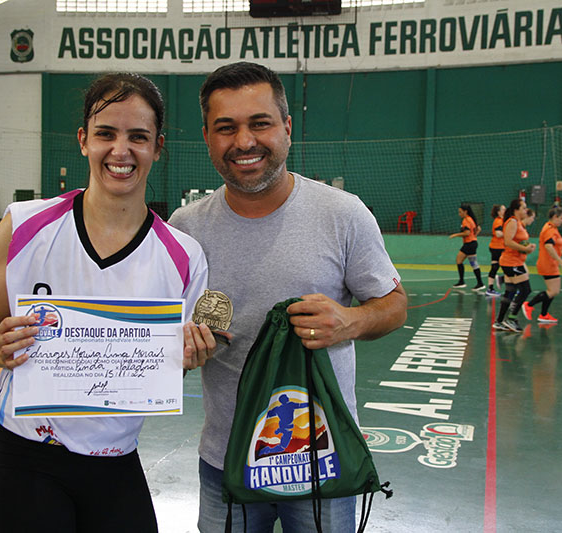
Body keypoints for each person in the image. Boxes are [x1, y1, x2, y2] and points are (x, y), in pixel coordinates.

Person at [0, 73, 215, 532]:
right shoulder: (23, 225)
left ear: (157, 147)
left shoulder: (185, 256)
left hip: (115, 460)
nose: (121, 150)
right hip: (21, 456)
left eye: (137, 137)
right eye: (106, 134)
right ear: (83, 140)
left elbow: (162, 367)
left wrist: (185, 358)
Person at [167, 61, 407, 533]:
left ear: (287, 127)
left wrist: (351, 320)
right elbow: (163, 335)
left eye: (260, 123)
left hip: (321, 458)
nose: (244, 142)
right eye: (226, 128)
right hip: (225, 457)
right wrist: (182, 350)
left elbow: (395, 305)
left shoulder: (342, 214)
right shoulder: (185, 228)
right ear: (207, 137)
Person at [492, 198, 536, 333]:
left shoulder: (518, 223)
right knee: (525, 290)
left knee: (510, 291)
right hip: (512, 262)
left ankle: (499, 321)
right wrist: (525, 249)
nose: (526, 210)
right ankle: (511, 318)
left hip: (514, 261)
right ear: (516, 210)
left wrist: (527, 246)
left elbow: (518, 241)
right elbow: (508, 242)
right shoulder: (512, 222)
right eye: (524, 208)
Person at [522, 207, 562, 324]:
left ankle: (544, 315)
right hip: (548, 264)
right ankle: (529, 305)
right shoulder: (549, 229)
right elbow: (548, 246)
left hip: (550, 263)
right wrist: (560, 260)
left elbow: (552, 245)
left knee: (552, 290)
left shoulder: (552, 228)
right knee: (554, 291)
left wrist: (561, 252)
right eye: (561, 218)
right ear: (555, 217)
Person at [449, 202, 485, 291]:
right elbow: (478, 229)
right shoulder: (471, 219)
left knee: (462, 261)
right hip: (472, 243)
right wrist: (474, 237)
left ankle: (469, 282)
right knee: (470, 262)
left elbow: (467, 233)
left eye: (460, 212)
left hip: (469, 244)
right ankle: (476, 282)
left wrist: (455, 235)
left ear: (465, 211)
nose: (459, 214)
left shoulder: (466, 220)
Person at [486, 204, 506, 297]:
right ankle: (509, 286)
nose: (505, 210)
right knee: (508, 267)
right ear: (499, 212)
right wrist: (509, 233)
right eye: (503, 209)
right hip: (498, 247)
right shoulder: (499, 221)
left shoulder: (502, 220)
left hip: (496, 247)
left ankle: (490, 288)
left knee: (495, 267)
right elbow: (498, 233)